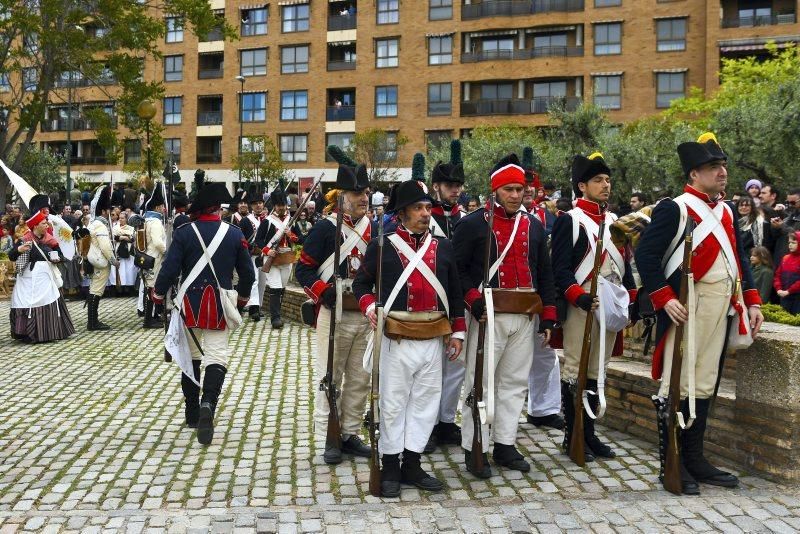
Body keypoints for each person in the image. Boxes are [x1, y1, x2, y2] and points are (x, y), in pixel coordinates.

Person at [636, 132, 763, 495]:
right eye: (712, 167)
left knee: (705, 383)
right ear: (693, 175)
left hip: (721, 305)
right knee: (676, 384)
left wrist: (752, 301)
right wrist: (663, 296)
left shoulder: (724, 210)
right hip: (687, 306)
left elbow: (739, 260)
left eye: (722, 165)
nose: (722, 172)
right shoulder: (674, 208)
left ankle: (695, 458)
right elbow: (646, 256)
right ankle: (671, 463)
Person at [353, 179, 465, 498]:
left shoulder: (443, 247)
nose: (425, 213)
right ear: (401, 213)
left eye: (428, 208)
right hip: (395, 336)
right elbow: (361, 285)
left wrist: (457, 332)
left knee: (426, 403)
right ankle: (390, 464)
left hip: (433, 336)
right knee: (392, 404)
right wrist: (369, 306)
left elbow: (454, 293)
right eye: (418, 208)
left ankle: (412, 463)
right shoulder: (382, 245)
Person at [453, 154, 557, 478]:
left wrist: (549, 315)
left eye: (519, 189)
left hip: (524, 316)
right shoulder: (472, 224)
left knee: (513, 383)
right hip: (487, 316)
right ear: (495, 190)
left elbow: (545, 272)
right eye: (509, 189)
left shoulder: (535, 227)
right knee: (479, 382)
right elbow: (456, 271)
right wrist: (472, 300)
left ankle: (505, 443)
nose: (515, 195)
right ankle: (475, 446)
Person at [153, 182, 255, 445]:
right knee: (216, 356)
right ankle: (209, 402)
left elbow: (169, 269)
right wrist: (242, 299)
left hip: (189, 302)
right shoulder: (233, 234)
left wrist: (157, 293)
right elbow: (248, 274)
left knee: (193, 358)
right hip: (220, 303)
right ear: (217, 209)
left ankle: (192, 412)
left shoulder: (185, 233)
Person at [552, 153, 636, 463]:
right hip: (582, 304)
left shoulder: (614, 223)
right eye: (599, 180)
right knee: (577, 369)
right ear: (582, 186)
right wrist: (577, 296)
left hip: (609, 302)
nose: (606, 185)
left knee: (598, 369)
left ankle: (589, 433)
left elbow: (624, 266)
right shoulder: (569, 221)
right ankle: (573, 435)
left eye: (608, 180)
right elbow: (558, 269)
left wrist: (632, 299)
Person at [295, 163, 374, 464]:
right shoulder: (325, 229)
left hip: (364, 314)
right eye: (356, 193)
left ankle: (351, 433)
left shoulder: (374, 229)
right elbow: (303, 268)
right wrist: (321, 290)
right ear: (341, 197)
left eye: (365, 193)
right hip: (335, 312)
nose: (363, 198)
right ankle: (330, 433)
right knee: (331, 376)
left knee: (360, 378)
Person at [424, 149, 469, 453]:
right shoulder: (425, 217)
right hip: (429, 300)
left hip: (458, 300)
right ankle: (425, 425)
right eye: (449, 184)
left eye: (458, 185)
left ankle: (445, 421)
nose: (455, 189)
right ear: (436, 186)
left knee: (455, 366)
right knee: (428, 367)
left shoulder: (466, 218)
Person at [520, 150, 563, 431]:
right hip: (511, 296)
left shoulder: (546, 215)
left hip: (538, 291)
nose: (526, 193)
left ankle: (544, 409)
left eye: (529, 188)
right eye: (521, 188)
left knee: (545, 354)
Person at [8, 194, 75, 342]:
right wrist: (19, 250)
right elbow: (11, 255)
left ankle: (48, 333)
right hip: (28, 279)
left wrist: (57, 259)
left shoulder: (51, 240)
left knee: (49, 300)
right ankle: (25, 333)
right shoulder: (25, 239)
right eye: (44, 223)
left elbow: (61, 256)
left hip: (46, 278)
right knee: (26, 302)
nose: (47, 225)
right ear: (36, 225)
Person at [254, 190, 297, 329]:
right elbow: (258, 240)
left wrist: (291, 235)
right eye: (278, 205)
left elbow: (301, 238)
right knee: (275, 287)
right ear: (274, 206)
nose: (281, 207)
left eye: (282, 204)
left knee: (282, 287)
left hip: (286, 258)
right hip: (272, 259)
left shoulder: (291, 220)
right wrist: (267, 250)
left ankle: (278, 312)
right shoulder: (267, 221)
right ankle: (275, 318)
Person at [86, 184, 118, 331]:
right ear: (104, 211)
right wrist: (113, 260)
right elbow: (105, 246)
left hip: (95, 260)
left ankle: (93, 321)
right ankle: (93, 322)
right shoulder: (101, 226)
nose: (109, 214)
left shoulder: (94, 223)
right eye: (108, 211)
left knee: (94, 289)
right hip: (101, 262)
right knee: (96, 291)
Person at [141, 184, 168, 328]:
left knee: (148, 287)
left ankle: (151, 317)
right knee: (151, 288)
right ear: (157, 207)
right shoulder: (156, 222)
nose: (164, 209)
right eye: (162, 206)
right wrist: (167, 252)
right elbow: (158, 242)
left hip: (147, 258)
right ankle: (148, 320)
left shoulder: (147, 220)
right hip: (154, 259)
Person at [240, 192, 267, 321]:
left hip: (265, 254)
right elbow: (242, 239)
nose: (258, 206)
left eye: (260, 203)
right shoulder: (246, 221)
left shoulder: (268, 220)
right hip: (252, 255)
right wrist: (251, 249)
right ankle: (253, 309)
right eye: (256, 204)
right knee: (254, 280)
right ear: (251, 206)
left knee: (263, 281)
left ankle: (259, 306)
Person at [774, 231, 800, 314]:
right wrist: (778, 289)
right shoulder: (785, 258)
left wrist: (789, 291)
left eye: (794, 242)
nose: (790, 245)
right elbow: (777, 275)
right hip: (784, 296)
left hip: (797, 298)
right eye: (789, 242)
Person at [112, 212, 137, 296]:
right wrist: (124, 236)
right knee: (120, 271)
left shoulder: (131, 228)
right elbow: (114, 237)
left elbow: (132, 238)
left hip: (128, 252)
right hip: (118, 252)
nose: (120, 219)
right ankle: (120, 289)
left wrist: (121, 236)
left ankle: (129, 288)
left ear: (126, 219)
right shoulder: (115, 228)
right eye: (120, 218)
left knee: (129, 271)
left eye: (123, 218)